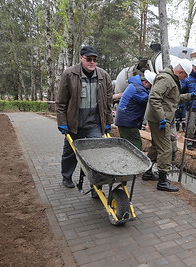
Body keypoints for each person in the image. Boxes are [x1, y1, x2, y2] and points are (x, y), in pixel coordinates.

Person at [56, 45, 113, 193]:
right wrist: (62, 123)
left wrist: (107, 122)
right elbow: (61, 102)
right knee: (70, 152)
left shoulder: (103, 75)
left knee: (96, 154)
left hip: (94, 122)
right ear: (81, 58)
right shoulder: (69, 74)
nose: (92, 62)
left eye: (94, 60)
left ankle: (96, 185)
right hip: (75, 122)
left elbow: (108, 103)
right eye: (89, 59)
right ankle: (66, 177)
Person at [144, 58, 196, 192]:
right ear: (180, 71)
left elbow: (174, 99)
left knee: (157, 146)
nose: (185, 78)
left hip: (160, 118)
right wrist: (161, 119)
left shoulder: (172, 79)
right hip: (160, 120)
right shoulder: (167, 79)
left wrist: (189, 96)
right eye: (185, 75)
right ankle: (162, 181)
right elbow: (154, 98)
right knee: (166, 149)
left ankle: (147, 171)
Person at [115, 70, 157, 150]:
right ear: (145, 82)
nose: (150, 88)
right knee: (136, 145)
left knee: (126, 146)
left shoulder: (135, 85)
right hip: (128, 122)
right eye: (151, 86)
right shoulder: (138, 90)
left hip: (125, 121)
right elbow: (148, 101)